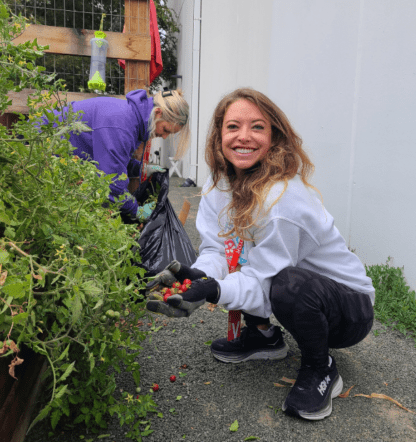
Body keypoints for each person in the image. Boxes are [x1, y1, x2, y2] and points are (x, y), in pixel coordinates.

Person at [145, 88, 375, 421]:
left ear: (274, 137)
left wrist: (217, 290)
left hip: (348, 311)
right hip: (289, 289)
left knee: (287, 284)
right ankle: (264, 338)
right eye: (233, 127)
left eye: (257, 127)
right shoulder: (218, 185)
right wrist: (203, 275)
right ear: (219, 135)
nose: (244, 137)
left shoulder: (282, 199)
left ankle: (320, 366)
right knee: (247, 257)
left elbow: (264, 285)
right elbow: (218, 249)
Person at [45, 88, 190, 222]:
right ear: (158, 113)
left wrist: (141, 169)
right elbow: (111, 184)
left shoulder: (131, 118)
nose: (164, 136)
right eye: (166, 130)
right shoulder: (121, 125)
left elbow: (115, 160)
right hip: (39, 147)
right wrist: (136, 211)